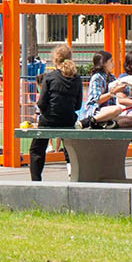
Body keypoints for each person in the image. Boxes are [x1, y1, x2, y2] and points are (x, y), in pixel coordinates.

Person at [30, 43, 83, 181]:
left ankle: (36, 180)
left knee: (36, 149)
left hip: (49, 120)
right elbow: (77, 105)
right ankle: (73, 174)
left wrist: (47, 112)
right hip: (68, 119)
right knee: (70, 147)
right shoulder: (76, 79)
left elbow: (41, 103)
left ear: (54, 60)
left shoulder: (49, 77)